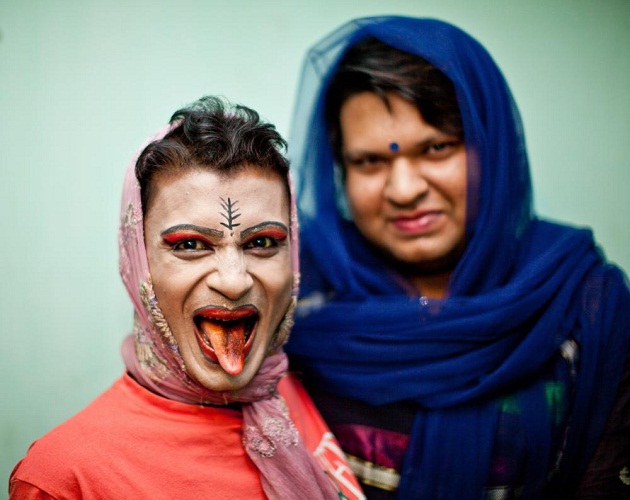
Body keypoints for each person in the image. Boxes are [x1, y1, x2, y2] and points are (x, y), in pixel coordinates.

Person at [284, 16, 630, 499]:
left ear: (492, 147)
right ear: (340, 170)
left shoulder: (581, 302)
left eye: (436, 148)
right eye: (370, 161)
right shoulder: (298, 301)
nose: (404, 190)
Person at [9, 96, 364, 499]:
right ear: (137, 261)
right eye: (190, 244)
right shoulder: (63, 479)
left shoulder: (298, 390)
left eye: (262, 242)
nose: (234, 281)